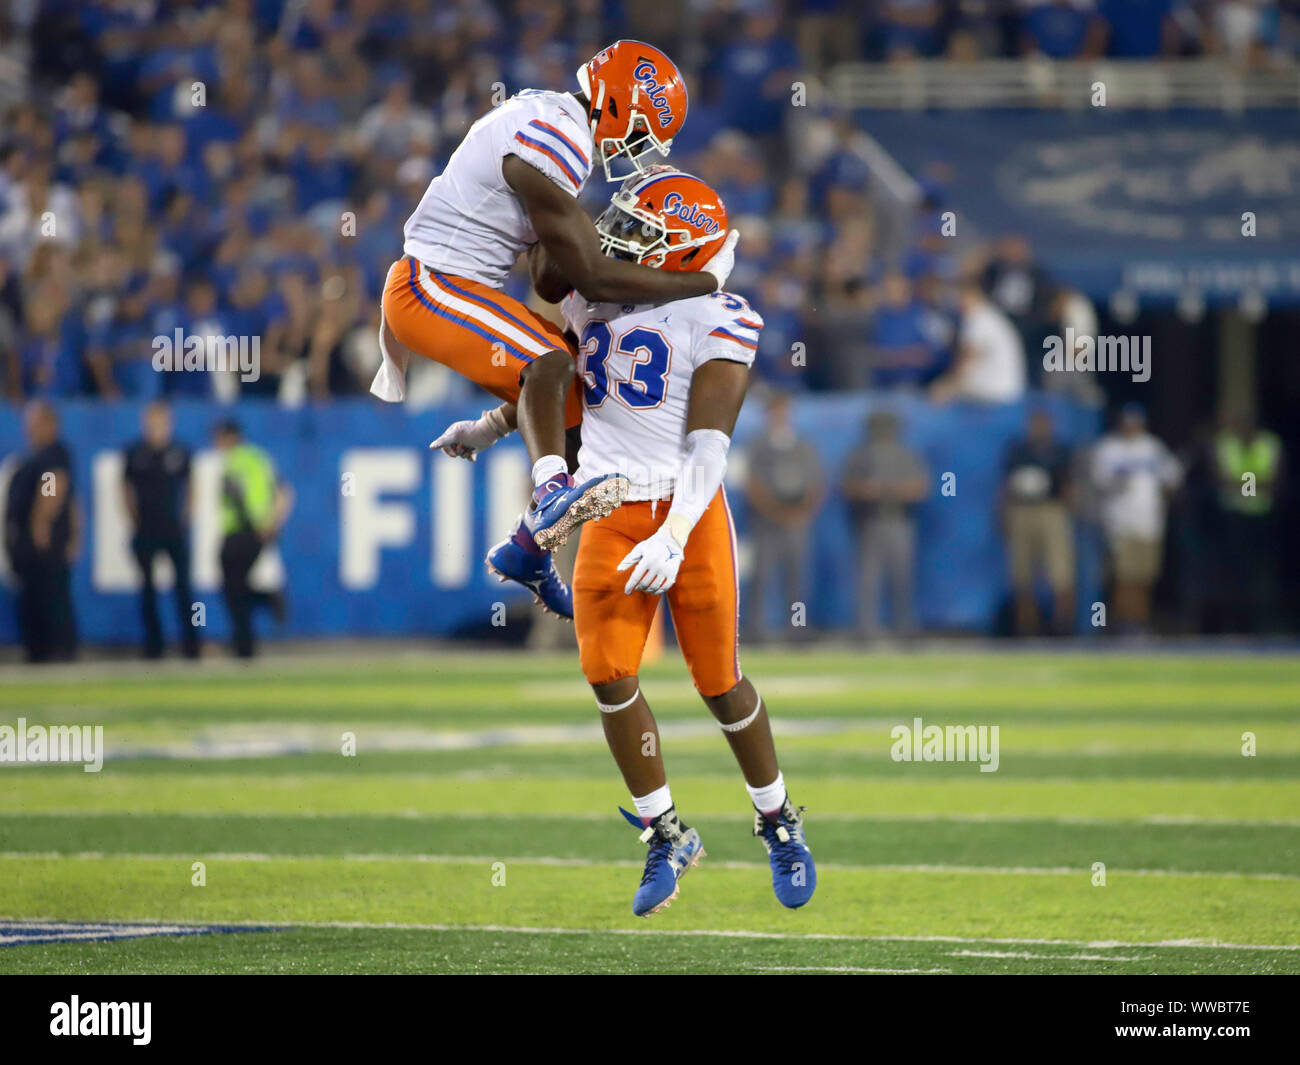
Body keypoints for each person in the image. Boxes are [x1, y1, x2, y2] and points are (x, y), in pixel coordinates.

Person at [453, 169, 815, 918]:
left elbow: (709, 448)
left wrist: (677, 534)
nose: (623, 239)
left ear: (683, 252)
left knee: (719, 681)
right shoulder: (592, 296)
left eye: (646, 234)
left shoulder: (721, 314)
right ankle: (665, 832)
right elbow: (549, 376)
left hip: (689, 506)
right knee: (608, 674)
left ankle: (778, 819)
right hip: (610, 504)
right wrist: (490, 429)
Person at [379, 41, 741, 621]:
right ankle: (549, 495)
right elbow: (590, 277)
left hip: (458, 286)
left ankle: (525, 548)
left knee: (578, 411)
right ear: (622, 106)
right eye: (643, 132)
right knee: (549, 362)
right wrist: (703, 282)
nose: (639, 151)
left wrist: (483, 429)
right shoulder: (558, 136)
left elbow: (549, 278)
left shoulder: (554, 121)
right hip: (430, 284)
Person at [1091, 404, 1182, 634]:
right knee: (1124, 577)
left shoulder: (1153, 447)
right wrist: (1119, 482)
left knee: (1144, 578)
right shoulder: (1109, 448)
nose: (1131, 428)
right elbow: (1100, 482)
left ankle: (1139, 624)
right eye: (1128, 424)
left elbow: (1172, 479)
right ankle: (1122, 625)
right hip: (1121, 523)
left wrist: (1164, 495)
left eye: (1136, 424)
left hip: (1149, 523)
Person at [842, 410, 929, 640]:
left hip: (899, 520)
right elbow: (849, 487)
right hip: (871, 521)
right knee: (868, 580)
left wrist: (892, 490)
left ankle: (904, 628)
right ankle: (865, 630)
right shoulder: (860, 455)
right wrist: (870, 490)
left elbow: (921, 488)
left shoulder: (906, 455)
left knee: (902, 578)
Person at [122, 400, 199, 659]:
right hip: (145, 529)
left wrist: (185, 516)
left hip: (174, 530)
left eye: (161, 422)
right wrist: (134, 519)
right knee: (147, 590)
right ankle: (154, 646)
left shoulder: (180, 451)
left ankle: (192, 644)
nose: (156, 428)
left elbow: (191, 486)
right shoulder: (135, 453)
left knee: (184, 590)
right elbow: (125, 489)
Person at [4, 401, 79, 662]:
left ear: (49, 424)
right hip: (30, 542)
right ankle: (40, 651)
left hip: (43, 541)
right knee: (35, 598)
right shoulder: (35, 456)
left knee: (50, 596)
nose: (28, 429)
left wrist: (41, 523)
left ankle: (57, 651)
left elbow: (53, 487)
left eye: (33, 423)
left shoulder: (53, 456)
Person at [743, 393, 822, 642]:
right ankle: (757, 630)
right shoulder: (758, 447)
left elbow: (816, 484)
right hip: (766, 522)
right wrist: (775, 512)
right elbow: (752, 485)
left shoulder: (803, 446)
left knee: (797, 577)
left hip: (797, 521)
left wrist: (800, 513)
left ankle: (797, 630)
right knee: (762, 577)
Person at [213, 419, 293, 658]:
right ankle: (262, 609)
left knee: (232, 588)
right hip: (258, 531)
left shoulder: (234, 462)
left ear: (228, 438)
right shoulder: (259, 458)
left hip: (241, 532)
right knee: (237, 587)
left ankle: (245, 643)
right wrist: (273, 524)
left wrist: (259, 525)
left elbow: (240, 499)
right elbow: (284, 492)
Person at [1002, 408, 1077, 636]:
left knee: (1060, 570)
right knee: (1022, 571)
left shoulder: (1060, 451)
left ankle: (1064, 626)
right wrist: (1004, 511)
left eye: (1043, 424)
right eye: (1035, 424)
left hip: (1051, 509)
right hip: (1022, 509)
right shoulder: (1019, 451)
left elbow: (1069, 484)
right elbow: (1006, 484)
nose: (1039, 429)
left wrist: (1068, 508)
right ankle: (1026, 626)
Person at [1213, 412, 1284, 633]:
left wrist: (1242, 483)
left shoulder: (1269, 444)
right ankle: (1233, 624)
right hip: (1234, 518)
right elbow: (1221, 478)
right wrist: (1253, 481)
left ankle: (1259, 624)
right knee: (1232, 573)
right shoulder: (1227, 444)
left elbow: (1275, 481)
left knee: (1260, 572)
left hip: (1261, 517)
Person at [930, 279, 1026, 404]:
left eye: (961, 296)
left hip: (995, 394)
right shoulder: (989, 315)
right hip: (1007, 390)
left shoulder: (978, 319)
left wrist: (944, 388)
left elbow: (968, 361)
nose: (958, 302)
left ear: (974, 295)